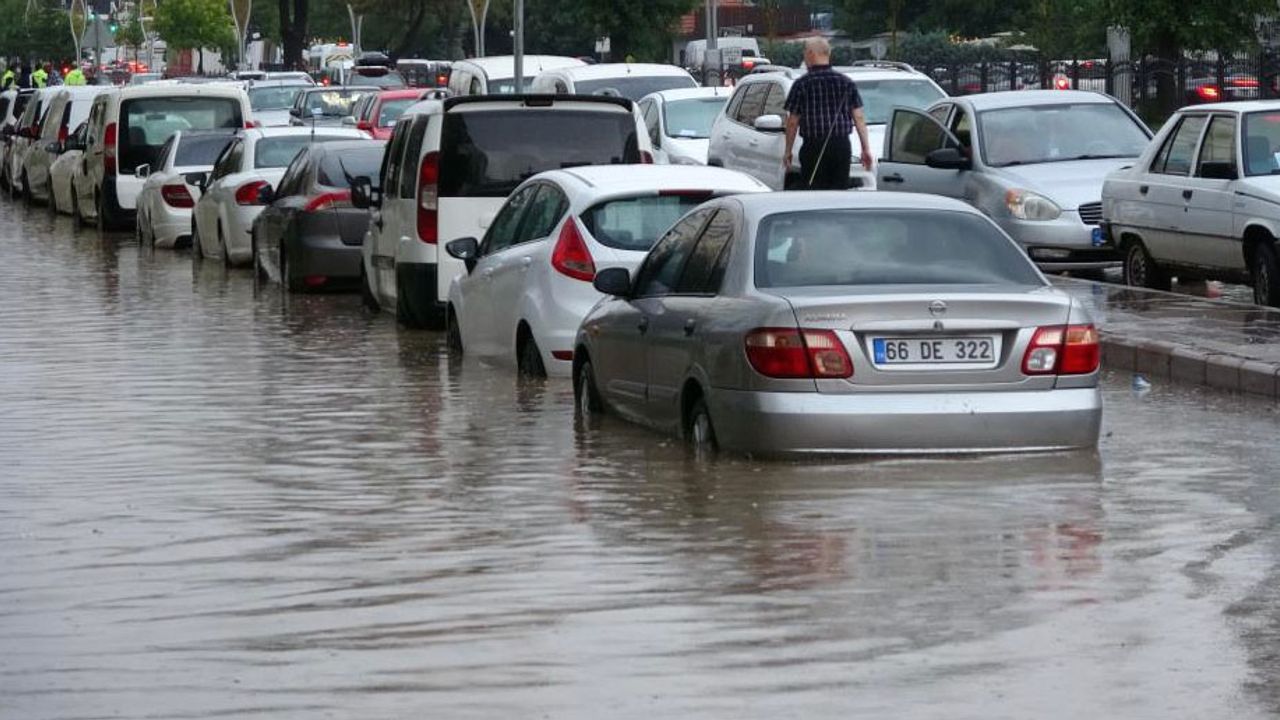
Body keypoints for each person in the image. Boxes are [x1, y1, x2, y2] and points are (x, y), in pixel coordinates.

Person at [781, 37, 873, 190]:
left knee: (814, 190)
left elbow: (792, 122)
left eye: (804, 52)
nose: (804, 56)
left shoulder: (802, 84)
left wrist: (788, 150)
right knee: (840, 190)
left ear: (811, 54)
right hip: (841, 146)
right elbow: (858, 118)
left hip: (813, 146)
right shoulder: (846, 82)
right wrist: (865, 148)